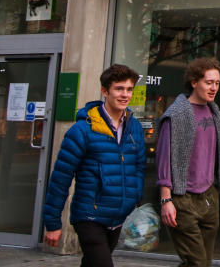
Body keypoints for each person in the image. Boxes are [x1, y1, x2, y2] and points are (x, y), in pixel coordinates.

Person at [42, 64, 146, 267]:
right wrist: (52, 222)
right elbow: (61, 178)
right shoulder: (82, 130)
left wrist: (134, 198)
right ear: (105, 91)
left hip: (118, 215)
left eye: (129, 89)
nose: (125, 94)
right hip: (90, 214)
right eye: (119, 89)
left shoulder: (135, 128)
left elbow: (139, 167)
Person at [157, 57, 220, 267]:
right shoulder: (176, 115)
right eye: (208, 82)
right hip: (182, 198)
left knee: (202, 262)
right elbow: (164, 159)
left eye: (217, 83)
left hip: (208, 197)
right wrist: (166, 200)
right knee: (197, 262)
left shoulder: (215, 113)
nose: (214, 88)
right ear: (194, 82)